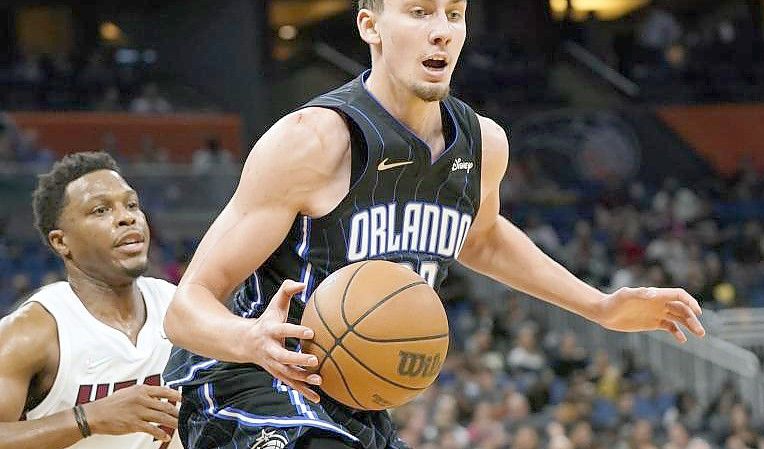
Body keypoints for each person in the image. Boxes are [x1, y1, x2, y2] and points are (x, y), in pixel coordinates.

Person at [163, 1, 706, 448]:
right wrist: (251, 341)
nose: (442, 32)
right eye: (420, 13)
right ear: (369, 25)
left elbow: (483, 238)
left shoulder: (484, 145)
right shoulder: (314, 141)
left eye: (454, 14)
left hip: (355, 403)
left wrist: (600, 306)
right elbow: (186, 310)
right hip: (247, 387)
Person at [0, 152, 182, 448]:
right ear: (61, 242)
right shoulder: (33, 332)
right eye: (100, 210)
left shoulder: (177, 307)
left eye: (132, 204)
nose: (127, 217)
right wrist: (87, 418)